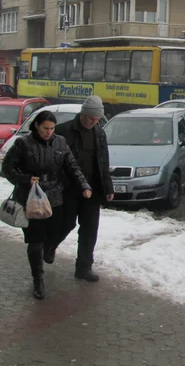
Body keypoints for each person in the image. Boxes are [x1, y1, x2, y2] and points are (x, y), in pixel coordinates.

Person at [2, 110, 91, 300]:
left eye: (51, 128)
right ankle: (38, 280)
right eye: (45, 128)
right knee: (35, 240)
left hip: (54, 196)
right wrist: (25, 179)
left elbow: (72, 167)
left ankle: (49, 250)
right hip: (30, 198)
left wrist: (84, 185)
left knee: (59, 229)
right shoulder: (23, 143)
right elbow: (7, 167)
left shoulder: (60, 142)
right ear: (36, 126)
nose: (48, 132)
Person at [49, 95, 114, 282]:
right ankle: (50, 246)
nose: (93, 122)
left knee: (90, 229)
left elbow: (104, 162)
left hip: (93, 190)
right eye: (90, 118)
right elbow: (54, 161)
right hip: (70, 188)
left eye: (97, 120)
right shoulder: (63, 131)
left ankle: (84, 267)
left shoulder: (99, 132)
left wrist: (108, 186)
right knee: (66, 224)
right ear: (83, 113)